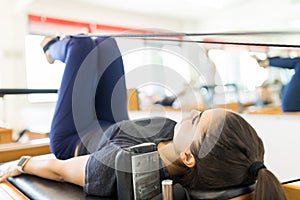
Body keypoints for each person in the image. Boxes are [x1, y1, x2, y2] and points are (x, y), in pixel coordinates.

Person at [0, 36, 286, 200]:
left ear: (189, 157)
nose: (194, 111)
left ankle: (50, 48)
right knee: (108, 44)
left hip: (76, 137)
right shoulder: (177, 137)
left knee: (81, 47)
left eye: (198, 120)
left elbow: (59, 169)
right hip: (115, 129)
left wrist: (21, 164)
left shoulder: (121, 167)